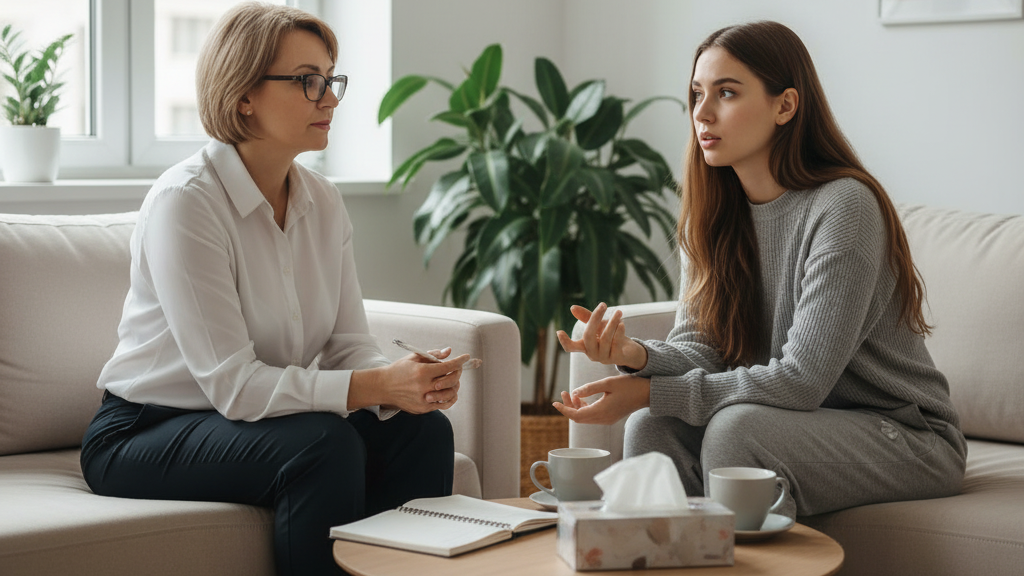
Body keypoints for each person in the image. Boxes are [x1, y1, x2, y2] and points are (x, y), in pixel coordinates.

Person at [79, 4, 466, 574]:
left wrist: (399, 387)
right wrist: (371, 384)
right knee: (322, 444)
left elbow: (346, 344)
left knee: (422, 431)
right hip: (143, 431)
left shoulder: (324, 200)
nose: (329, 98)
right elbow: (233, 386)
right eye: (309, 81)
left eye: (331, 80)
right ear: (243, 95)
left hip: (254, 422)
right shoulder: (186, 202)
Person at [553, 20, 966, 519]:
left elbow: (802, 380)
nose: (702, 114)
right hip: (795, 421)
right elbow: (704, 350)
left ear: (785, 106)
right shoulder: (712, 214)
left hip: (907, 436)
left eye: (726, 93)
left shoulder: (844, 207)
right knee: (650, 427)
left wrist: (652, 389)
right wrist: (636, 355)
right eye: (696, 94)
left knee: (736, 430)